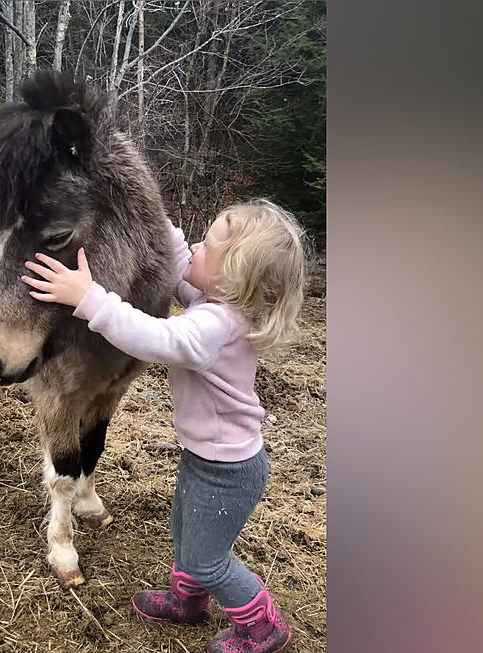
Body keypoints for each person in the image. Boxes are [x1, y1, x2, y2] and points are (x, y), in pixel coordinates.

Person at [21, 199, 306, 653]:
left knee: (208, 559)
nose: (194, 244)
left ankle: (262, 626)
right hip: (209, 460)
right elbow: (179, 261)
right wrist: (146, 211)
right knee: (183, 531)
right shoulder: (218, 302)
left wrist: (87, 298)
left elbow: (157, 338)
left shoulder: (214, 326)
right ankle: (187, 602)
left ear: (233, 276)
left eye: (206, 243)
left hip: (227, 473)